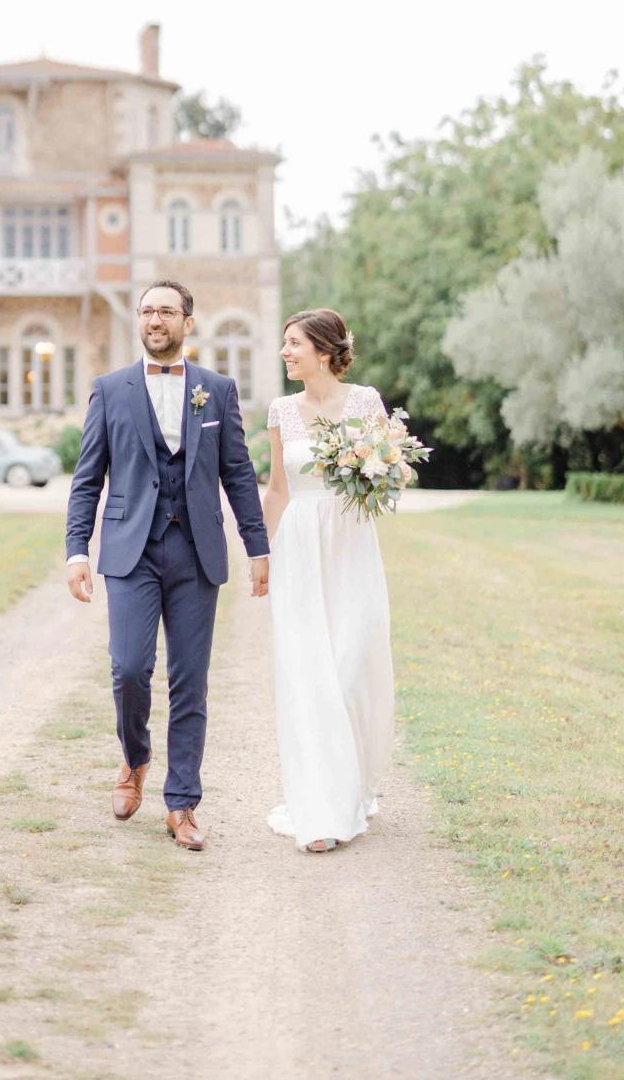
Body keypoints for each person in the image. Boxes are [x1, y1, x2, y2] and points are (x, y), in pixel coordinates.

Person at [65, 280, 270, 850]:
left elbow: (238, 474)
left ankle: (182, 804)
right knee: (129, 668)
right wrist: (77, 550)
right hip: (131, 549)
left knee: (190, 682)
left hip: (196, 551)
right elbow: (88, 480)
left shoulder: (218, 390)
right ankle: (135, 760)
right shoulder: (109, 389)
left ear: (188, 322)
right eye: (148, 310)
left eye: (167, 311)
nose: (156, 319)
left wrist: (257, 547)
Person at [264, 308, 395, 853]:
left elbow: (390, 471)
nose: (284, 352)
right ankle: (321, 813)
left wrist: (377, 470)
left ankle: (353, 786)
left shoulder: (365, 402)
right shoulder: (280, 410)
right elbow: (277, 488)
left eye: (293, 344)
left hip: (351, 544)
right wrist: (261, 555)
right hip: (298, 546)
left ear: (322, 351)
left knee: (348, 670)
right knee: (308, 676)